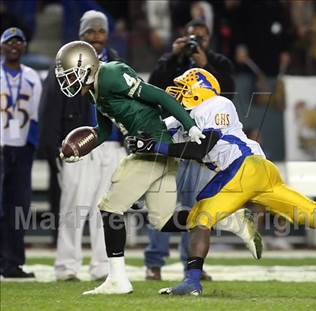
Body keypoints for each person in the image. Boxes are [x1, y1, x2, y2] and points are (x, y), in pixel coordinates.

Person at [126, 67, 316, 295]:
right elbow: (160, 132)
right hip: (261, 173)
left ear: (199, 90)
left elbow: (202, 146)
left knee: (201, 215)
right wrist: (141, 136)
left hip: (243, 167)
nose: (178, 94)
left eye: (184, 88)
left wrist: (156, 147)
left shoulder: (216, 104)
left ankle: (192, 281)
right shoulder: (183, 118)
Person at [54, 41, 260, 295]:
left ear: (86, 67)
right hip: (156, 150)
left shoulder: (112, 75)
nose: (69, 82)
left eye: (71, 75)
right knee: (163, 221)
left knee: (109, 209)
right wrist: (82, 147)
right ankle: (232, 220)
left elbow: (159, 95)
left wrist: (190, 125)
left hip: (151, 147)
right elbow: (105, 130)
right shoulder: (97, 88)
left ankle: (117, 280)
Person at [38, 10, 126, 282]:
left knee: (107, 209)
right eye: (90, 31)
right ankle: (66, 267)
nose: (96, 36)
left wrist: (127, 140)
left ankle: (102, 267)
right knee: (73, 209)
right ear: (80, 34)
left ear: (107, 33)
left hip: (111, 146)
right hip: (78, 145)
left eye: (100, 30)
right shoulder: (66, 61)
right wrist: (56, 148)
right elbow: (49, 109)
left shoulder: (118, 62)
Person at [144, 18, 235, 281]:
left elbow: (229, 92)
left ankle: (193, 265)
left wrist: (206, 63)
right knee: (162, 205)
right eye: (191, 38)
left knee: (197, 210)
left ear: (209, 39)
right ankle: (155, 263)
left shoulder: (219, 62)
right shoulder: (173, 62)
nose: (196, 43)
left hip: (201, 150)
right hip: (172, 142)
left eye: (201, 38)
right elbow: (154, 87)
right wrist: (173, 56)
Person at [0, 27, 42, 279]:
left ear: (25, 46)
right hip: (1, 145)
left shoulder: (32, 76)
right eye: (9, 42)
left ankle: (13, 262)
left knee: (18, 207)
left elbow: (36, 114)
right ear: (2, 46)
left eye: (19, 42)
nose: (14, 45)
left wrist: (32, 147)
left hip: (22, 148)